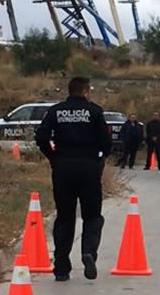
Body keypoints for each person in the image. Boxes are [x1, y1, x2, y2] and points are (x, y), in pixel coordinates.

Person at [34, 76, 112, 281]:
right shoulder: (94, 111)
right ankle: (88, 252)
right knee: (92, 216)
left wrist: (53, 157)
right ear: (85, 92)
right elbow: (106, 142)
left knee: (65, 217)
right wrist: (99, 161)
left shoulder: (56, 111)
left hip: (63, 168)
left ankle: (61, 267)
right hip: (88, 168)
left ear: (70, 91)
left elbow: (41, 137)